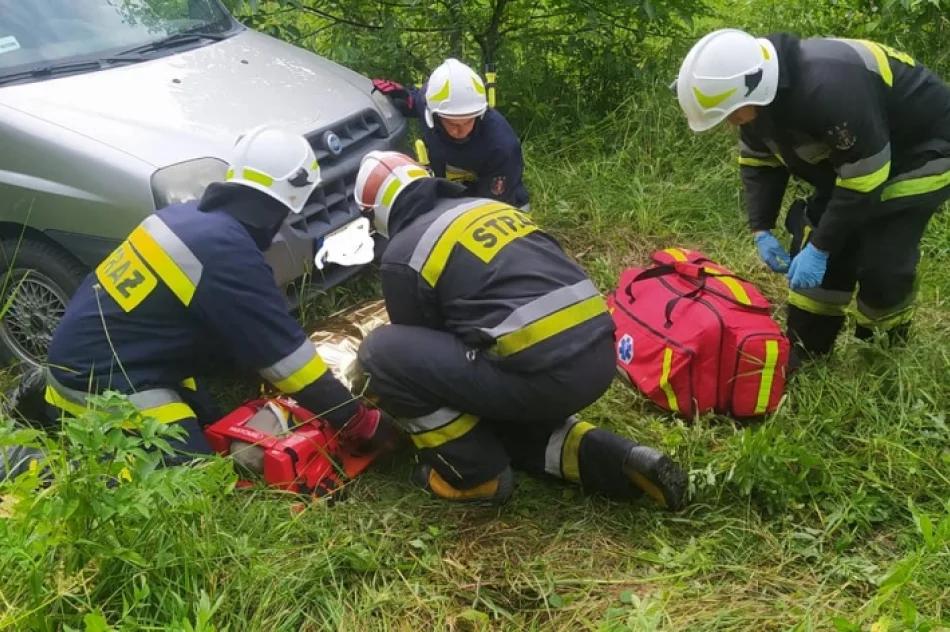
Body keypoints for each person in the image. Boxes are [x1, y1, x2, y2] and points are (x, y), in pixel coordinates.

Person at [38, 124, 397, 468]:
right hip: (99, 382)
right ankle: (37, 464)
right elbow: (286, 358)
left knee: (211, 420)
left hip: (102, 355)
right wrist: (357, 421)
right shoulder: (223, 250)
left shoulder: (186, 217)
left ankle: (47, 399)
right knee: (193, 480)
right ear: (289, 204)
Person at [350, 150, 688, 508]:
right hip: (600, 354)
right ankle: (614, 459)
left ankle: (474, 475)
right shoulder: (490, 207)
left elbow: (420, 359)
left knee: (382, 352)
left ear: (377, 213)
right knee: (498, 411)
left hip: (542, 374)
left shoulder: (403, 254)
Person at [671, 29, 950, 369]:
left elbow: (864, 179)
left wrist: (821, 246)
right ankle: (807, 347)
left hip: (924, 150)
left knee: (881, 250)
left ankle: (881, 355)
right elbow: (760, 162)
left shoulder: (829, 87)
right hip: (862, 156)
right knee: (821, 233)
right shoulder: (759, 96)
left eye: (732, 114)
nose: (730, 124)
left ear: (754, 88)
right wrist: (762, 227)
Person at [371, 58, 530, 210]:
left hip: (502, 203)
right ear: (434, 117)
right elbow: (417, 101)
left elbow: (493, 205)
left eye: (468, 122)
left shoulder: (501, 146)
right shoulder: (430, 103)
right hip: (451, 194)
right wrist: (403, 99)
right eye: (453, 123)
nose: (461, 130)